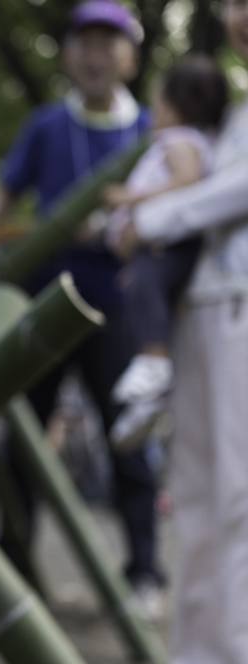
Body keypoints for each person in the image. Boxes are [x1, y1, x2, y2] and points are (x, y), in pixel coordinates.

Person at [0, 0, 166, 612]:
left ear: (130, 56)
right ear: (69, 54)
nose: (95, 53)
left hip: (120, 304)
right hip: (45, 301)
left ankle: (143, 572)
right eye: (84, 40)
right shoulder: (48, 125)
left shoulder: (152, 131)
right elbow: (2, 196)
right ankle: (14, 568)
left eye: (109, 41)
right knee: (25, 435)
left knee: (129, 434)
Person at [129, 0, 248, 664]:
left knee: (238, 498)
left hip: (240, 309)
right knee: (199, 495)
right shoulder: (227, 115)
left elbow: (230, 192)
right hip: (199, 312)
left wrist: (147, 220)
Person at [103, 55, 228, 451]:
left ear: (174, 106)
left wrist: (130, 198)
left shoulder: (179, 142)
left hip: (167, 246)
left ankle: (154, 368)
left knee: (146, 301)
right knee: (142, 308)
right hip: (155, 251)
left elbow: (186, 182)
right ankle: (149, 396)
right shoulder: (182, 141)